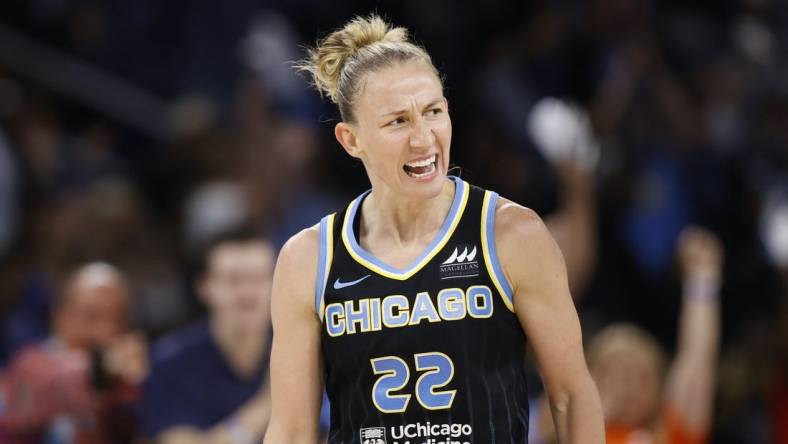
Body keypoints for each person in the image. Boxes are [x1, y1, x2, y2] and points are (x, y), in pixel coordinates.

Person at [264, 14, 604, 444]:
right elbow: (292, 431)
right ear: (352, 140)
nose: (424, 139)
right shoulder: (309, 258)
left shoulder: (509, 233)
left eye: (433, 112)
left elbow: (572, 397)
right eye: (398, 121)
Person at [531, 226, 723, 444]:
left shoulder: (670, 433)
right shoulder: (558, 428)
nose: (627, 386)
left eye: (640, 376)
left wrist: (702, 278)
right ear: (590, 379)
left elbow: (697, 357)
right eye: (613, 372)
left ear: (658, 390)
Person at [140, 227, 274, 444]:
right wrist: (268, 406)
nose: (248, 293)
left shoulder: (302, 349)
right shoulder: (171, 361)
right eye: (234, 280)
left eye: (259, 278)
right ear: (205, 287)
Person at [0, 262, 147, 444]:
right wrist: (102, 367)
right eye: (91, 316)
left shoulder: (129, 383)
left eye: (119, 318)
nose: (106, 331)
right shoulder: (29, 367)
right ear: (59, 317)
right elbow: (54, 384)